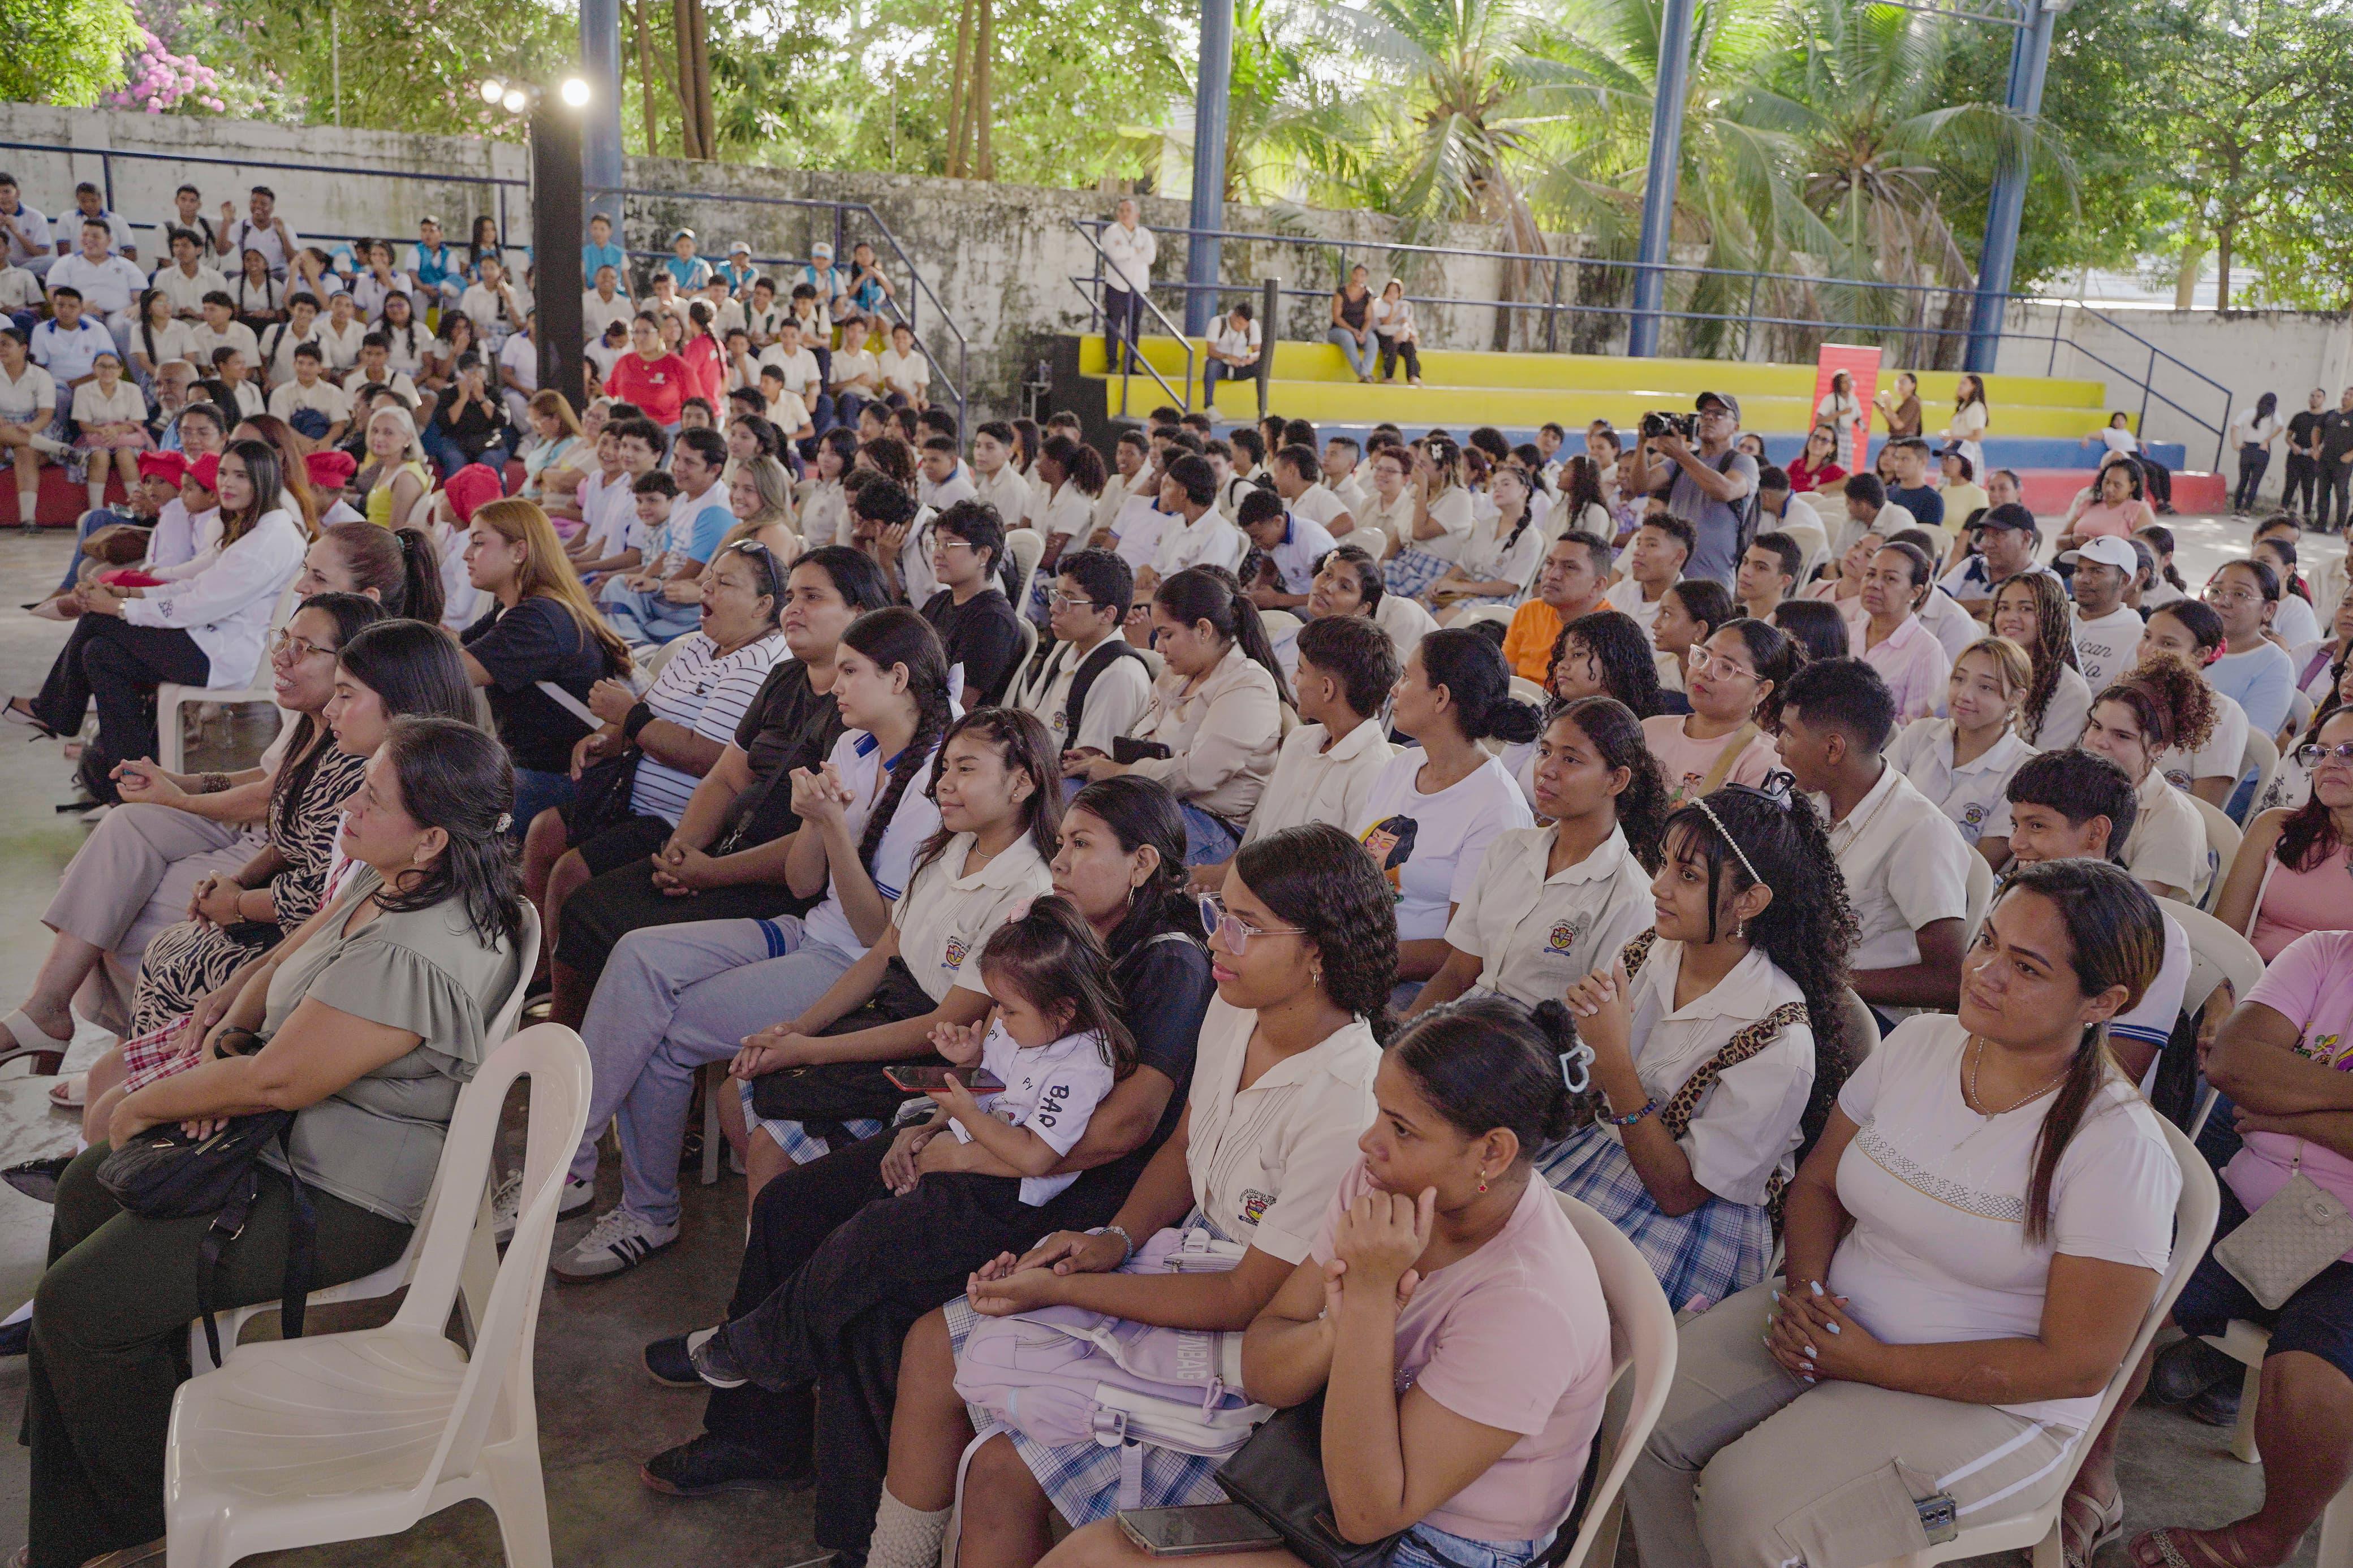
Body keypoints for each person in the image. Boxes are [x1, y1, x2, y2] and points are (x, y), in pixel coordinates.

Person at [21, 716, 525, 1568]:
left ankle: (142, 1523)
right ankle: (92, 1433)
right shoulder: (396, 880)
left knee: (78, 1304)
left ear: (434, 835)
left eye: (370, 796)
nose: (349, 808)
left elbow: (278, 1083)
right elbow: (287, 980)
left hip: (340, 1190)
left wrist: (150, 1106)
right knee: (84, 1190)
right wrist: (224, 1041)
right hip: (291, 1132)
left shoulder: (414, 950)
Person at [856, 823, 1395, 1568]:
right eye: (1218, 912)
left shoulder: (1347, 1100)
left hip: (1253, 1345)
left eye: (1246, 926)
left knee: (999, 1467)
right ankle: (895, 1557)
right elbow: (1182, 1147)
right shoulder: (1237, 1009)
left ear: (1318, 952)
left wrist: (1081, 1285)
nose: (1218, 941)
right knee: (930, 1346)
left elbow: (1244, 1298)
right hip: (1179, 1264)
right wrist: (1114, 1236)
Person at [1628, 856, 2177, 1568]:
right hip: (1837, 1322)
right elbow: (1819, 1185)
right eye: (1985, 941)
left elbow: (2074, 1365)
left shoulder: (2114, 1145)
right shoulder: (1919, 1044)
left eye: (2027, 967)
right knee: (1636, 1416)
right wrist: (1806, 1291)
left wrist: (1876, 1361)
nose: (1983, 971)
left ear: (2101, 1002)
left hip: (1997, 1407)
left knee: (1755, 1513)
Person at [1038, 994, 1617, 1568]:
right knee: (1092, 1551)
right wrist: (1337, 1327)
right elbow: (1264, 1370)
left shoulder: (1529, 1305)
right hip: (1322, 1463)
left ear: (1491, 1152)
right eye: (1377, 1112)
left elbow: (1368, 1513)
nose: (1369, 1142)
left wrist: (1366, 1300)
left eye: (1401, 1128)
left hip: (1442, 1541)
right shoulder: (1385, 1186)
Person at [551, 611, 973, 1269]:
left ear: (898, 678)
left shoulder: (933, 786)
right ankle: (570, 1159)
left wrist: (833, 825)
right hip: (807, 931)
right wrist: (813, 821)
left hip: (851, 963)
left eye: (851, 670)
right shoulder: (853, 748)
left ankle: (647, 1211)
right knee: (636, 952)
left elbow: (874, 936)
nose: (834, 683)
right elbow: (805, 883)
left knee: (669, 1034)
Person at [1540, 773, 1858, 1318]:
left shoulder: (1778, 1036)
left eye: (1687, 876)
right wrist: (1585, 1041)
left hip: (1694, 1219)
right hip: (1607, 1148)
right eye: (1663, 862)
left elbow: (1679, 1193)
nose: (1657, 886)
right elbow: (1590, 1090)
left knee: (1557, 1305)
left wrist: (1614, 1061)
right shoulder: (1649, 951)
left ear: (1750, 901)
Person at [2093, 926, 2353, 1566]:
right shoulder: (2325, 952)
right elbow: (2232, 1062)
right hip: (2244, 1199)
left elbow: (2258, 1077)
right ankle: (2088, 1475)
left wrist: (2288, 1105)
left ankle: (2270, 1535)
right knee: (2112, 1297)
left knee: (2314, 1382)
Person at [522, 538, 790, 964]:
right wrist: (607, 738)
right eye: (708, 579)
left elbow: (708, 756)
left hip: (678, 818)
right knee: (544, 832)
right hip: (629, 794)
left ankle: (565, 1002)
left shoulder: (758, 664)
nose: (706, 590)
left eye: (723, 584)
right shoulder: (704, 643)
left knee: (571, 874)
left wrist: (628, 719)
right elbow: (650, 709)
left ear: (763, 606)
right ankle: (540, 967)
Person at [7, 439, 304, 800]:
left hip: (222, 655)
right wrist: (128, 595)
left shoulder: (268, 539)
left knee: (99, 624)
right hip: (209, 639)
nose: (227, 483)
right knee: (100, 653)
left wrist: (117, 608)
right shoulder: (254, 528)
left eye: (240, 476)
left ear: (263, 480)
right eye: (224, 473)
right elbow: (198, 584)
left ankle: (54, 713)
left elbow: (198, 605)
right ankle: (130, 784)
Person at [1406, 694, 1664, 1023]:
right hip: (1464, 1027)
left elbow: (1591, 1029)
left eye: (1570, 760)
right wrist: (1408, 1032)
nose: (1546, 770)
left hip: (1534, 1054)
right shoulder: (1509, 848)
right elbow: (1458, 972)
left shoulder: (1629, 898)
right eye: (1545, 752)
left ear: (1616, 780)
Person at [1777, 658, 1972, 1016]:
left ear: (1834, 749)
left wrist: (1824, 980)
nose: (1778, 746)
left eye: (1789, 733)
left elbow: (1948, 981)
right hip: (1798, 995)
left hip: (1865, 1020)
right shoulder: (1812, 800)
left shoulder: (1919, 833)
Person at [1355, 630, 1541, 1002]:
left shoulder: (1497, 808)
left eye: (1407, 677)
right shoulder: (1401, 767)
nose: (1395, 689)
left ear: (1441, 697)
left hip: (1415, 987)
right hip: (1358, 953)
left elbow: (1457, 954)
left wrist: (1353, 961)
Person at [1065, 567, 1287, 864]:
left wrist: (1116, 772)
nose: (1158, 647)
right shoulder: (1176, 673)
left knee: (1095, 845)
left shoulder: (1248, 685)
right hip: (1160, 803)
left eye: (1167, 635)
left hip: (1210, 823)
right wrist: (1100, 761)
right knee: (1057, 795)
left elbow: (1198, 775)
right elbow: (1149, 742)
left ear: (1204, 630)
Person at [456, 496, 635, 835]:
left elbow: (448, 673)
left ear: (519, 552)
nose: (467, 555)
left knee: (441, 821)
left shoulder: (539, 619)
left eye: (479, 544)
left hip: (558, 782)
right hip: (532, 772)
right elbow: (451, 647)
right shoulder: (512, 608)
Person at [2210, 706, 2353, 961]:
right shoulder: (2275, 828)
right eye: (2320, 753)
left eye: (2349, 751)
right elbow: (2221, 941)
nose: (2328, 764)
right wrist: (2223, 1000)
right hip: (2245, 979)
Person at [2080, 654, 2219, 902]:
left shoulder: (2174, 818)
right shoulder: (2068, 783)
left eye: (2122, 736)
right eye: (2096, 726)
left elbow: (2130, 913)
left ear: (2157, 748)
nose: (2100, 742)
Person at [1884, 636, 2036, 862]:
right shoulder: (1920, 734)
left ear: (2016, 698)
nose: (1964, 695)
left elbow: (1981, 869)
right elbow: (1872, 806)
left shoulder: (2026, 769)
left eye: (1985, 687)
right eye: (1959, 679)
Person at [1010, 547, 1153, 756]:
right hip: (1037, 761)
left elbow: (1085, 763)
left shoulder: (1119, 675)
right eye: (1056, 595)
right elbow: (1029, 716)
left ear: (1107, 614)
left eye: (1068, 600)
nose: (1054, 608)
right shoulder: (1066, 646)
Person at [1641, 619, 1795, 806]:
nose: (1705, 671)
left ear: (1761, 691)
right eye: (1704, 656)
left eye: (1727, 667)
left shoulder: (1764, 760)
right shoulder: (1649, 730)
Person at [1622, 392, 1756, 586]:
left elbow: (1725, 491)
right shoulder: (1679, 461)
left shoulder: (1742, 462)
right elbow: (1639, 486)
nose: (1709, 418)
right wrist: (1643, 442)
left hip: (1713, 581)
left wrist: (1680, 454)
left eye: (1719, 414)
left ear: (1736, 427)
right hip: (1673, 577)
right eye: (1704, 413)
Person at [920, 499, 1027, 709]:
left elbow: (958, 706)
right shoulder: (939, 602)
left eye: (949, 544)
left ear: (983, 554)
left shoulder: (993, 621)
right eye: (936, 544)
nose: (937, 554)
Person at [1844, 540, 1951, 723]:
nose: (1874, 584)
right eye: (1870, 574)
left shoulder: (1926, 651)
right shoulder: (1848, 633)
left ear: (1915, 593)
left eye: (1890, 579)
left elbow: (1913, 730)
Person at [2200, 557, 2298, 737]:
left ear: (2268, 610)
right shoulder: (2192, 642)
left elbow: (2250, 742)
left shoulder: (2275, 665)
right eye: (2215, 590)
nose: (2221, 601)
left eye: (2240, 594)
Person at [1501, 530, 1611, 683]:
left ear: (1598, 584)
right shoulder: (1529, 611)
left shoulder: (1612, 632)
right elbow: (1505, 679)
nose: (1553, 575)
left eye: (1570, 567)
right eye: (1550, 563)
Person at [2062, 535, 2146, 694]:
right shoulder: (2056, 616)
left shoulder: (2136, 636)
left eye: (2096, 571)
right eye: (2079, 570)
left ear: (2124, 580)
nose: (2082, 579)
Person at [1605, 514, 1691, 644]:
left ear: (1679, 556)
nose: (1638, 552)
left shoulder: (1686, 612)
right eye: (1638, 543)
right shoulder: (1618, 593)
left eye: (1651, 545)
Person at [1098, 198, 1154, 373]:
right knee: (1114, 323)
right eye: (1122, 210)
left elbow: (1150, 256)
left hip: (1139, 286)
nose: (1125, 214)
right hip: (1117, 285)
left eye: (1128, 211)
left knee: (1134, 327)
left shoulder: (1144, 234)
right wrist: (1136, 251)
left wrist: (1128, 253)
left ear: (1136, 214)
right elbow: (1114, 253)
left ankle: (1130, 364)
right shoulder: (1112, 232)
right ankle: (1112, 362)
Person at [1734, 530, 1802, 623]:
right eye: (1745, 562)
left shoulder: (1792, 627)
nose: (1745, 572)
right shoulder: (1727, 616)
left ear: (1784, 581)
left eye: (1760, 568)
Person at [1201, 300, 1260, 405]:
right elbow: (1210, 351)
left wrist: (1251, 358)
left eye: (1244, 325)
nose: (1240, 328)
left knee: (1261, 366)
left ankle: (1262, 408)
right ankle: (1209, 406)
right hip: (1222, 366)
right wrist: (1227, 357)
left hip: (1241, 366)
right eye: (1238, 323)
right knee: (1211, 364)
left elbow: (1258, 352)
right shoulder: (1217, 322)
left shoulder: (1253, 325)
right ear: (1233, 316)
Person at [2234, 391, 2282, 513]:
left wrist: (2236, 445)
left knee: (2243, 481)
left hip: (2247, 447)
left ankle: (2237, 509)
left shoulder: (2248, 412)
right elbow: (2281, 427)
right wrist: (2267, 440)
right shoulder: (2273, 414)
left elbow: (2234, 427)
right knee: (2254, 483)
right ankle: (2247, 511)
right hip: (2262, 449)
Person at [1328, 262, 1376, 383]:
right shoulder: (1341, 292)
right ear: (1351, 274)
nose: (1358, 278)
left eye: (1362, 275)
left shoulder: (1368, 295)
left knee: (1373, 341)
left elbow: (1369, 318)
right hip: (1340, 330)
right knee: (1347, 338)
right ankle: (1363, 374)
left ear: (1366, 278)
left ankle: (1365, 373)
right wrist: (1353, 331)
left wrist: (1362, 333)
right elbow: (1337, 317)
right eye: (1356, 274)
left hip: (1361, 330)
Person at [1370, 275, 1423, 384]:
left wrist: (1404, 332)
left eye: (1395, 291)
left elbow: (1405, 322)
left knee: (1409, 346)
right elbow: (1386, 322)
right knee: (1392, 345)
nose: (1392, 294)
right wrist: (1393, 307)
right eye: (1390, 291)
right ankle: (1388, 376)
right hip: (1383, 334)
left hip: (1397, 334)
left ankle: (1413, 376)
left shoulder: (1403, 305)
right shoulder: (1380, 303)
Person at [1815, 370, 1860, 442]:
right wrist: (1841, 413)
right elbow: (1819, 421)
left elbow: (1856, 417)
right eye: (1844, 382)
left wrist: (1862, 426)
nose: (1849, 384)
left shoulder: (1854, 399)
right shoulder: (1830, 399)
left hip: (1847, 436)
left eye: (1850, 381)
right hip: (1832, 435)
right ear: (1838, 384)